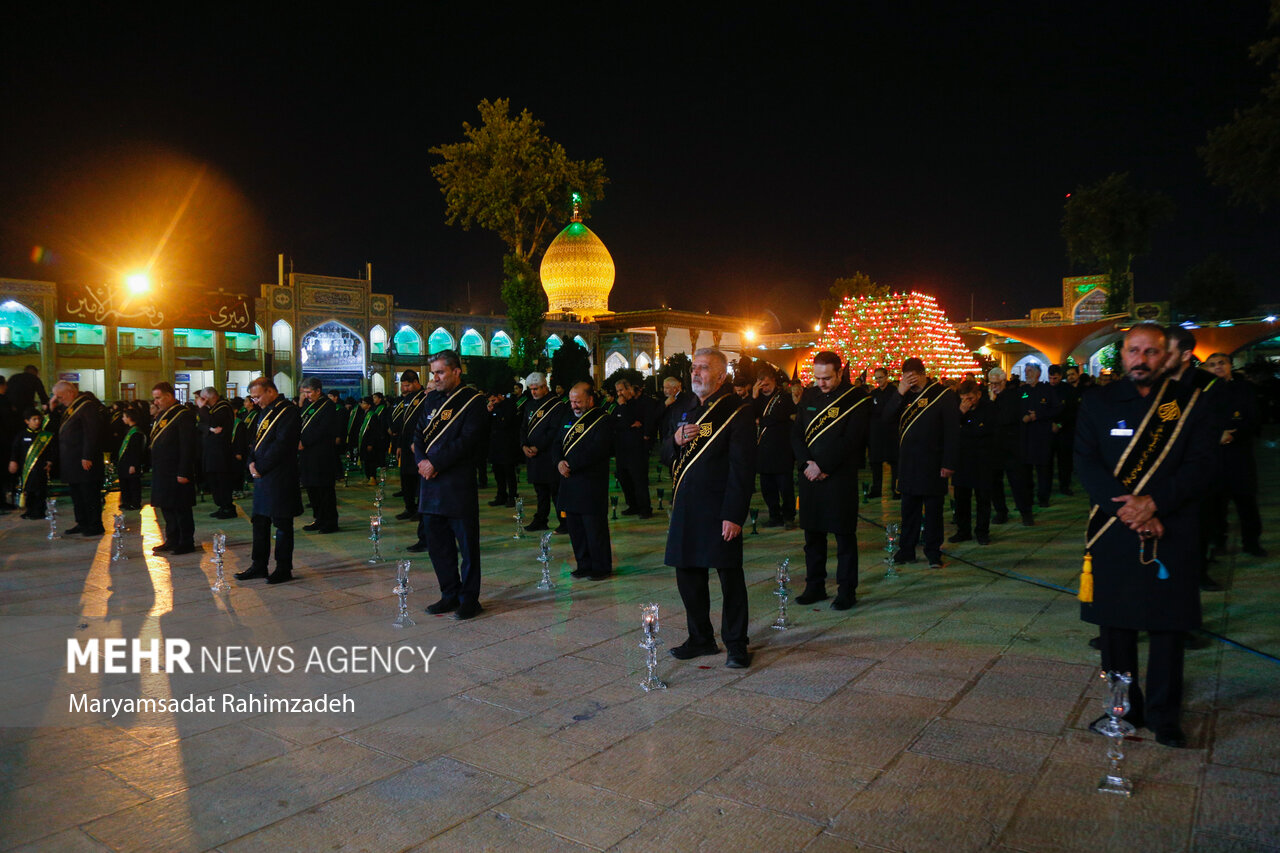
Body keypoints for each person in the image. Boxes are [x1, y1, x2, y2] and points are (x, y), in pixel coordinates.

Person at [1075, 323, 1215, 748]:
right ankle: (1125, 707)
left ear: (1167, 357)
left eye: (1151, 352)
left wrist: (1154, 504)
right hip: (1116, 532)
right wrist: (1131, 511)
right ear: (1122, 356)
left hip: (1172, 528)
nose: (1141, 359)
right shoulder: (1097, 402)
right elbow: (1086, 462)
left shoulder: (1188, 404)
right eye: (1133, 351)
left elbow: (1202, 466)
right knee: (1116, 629)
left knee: (1167, 628)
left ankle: (1164, 715)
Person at [664, 348, 755, 668]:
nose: (696, 373)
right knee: (688, 575)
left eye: (703, 368)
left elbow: (742, 468)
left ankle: (736, 643)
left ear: (721, 376)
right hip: (686, 506)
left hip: (719, 510)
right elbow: (664, 452)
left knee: (730, 578)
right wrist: (675, 441)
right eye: (693, 368)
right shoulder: (683, 407)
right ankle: (700, 638)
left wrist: (734, 514)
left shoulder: (737, 410)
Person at [791, 351, 871, 609]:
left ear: (839, 373)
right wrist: (806, 464)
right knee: (812, 537)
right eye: (817, 378)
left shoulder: (856, 398)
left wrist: (823, 466)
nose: (821, 383)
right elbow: (797, 435)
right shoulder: (809, 396)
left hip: (839, 477)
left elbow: (852, 440)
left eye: (826, 378)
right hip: (809, 476)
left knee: (844, 537)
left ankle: (847, 590)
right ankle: (815, 586)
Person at [413, 350, 488, 619]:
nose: (436, 378)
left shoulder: (473, 401)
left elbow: (468, 440)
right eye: (434, 373)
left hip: (457, 485)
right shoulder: (431, 399)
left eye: (441, 372)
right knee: (438, 545)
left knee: (467, 546)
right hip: (430, 485)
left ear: (457, 371)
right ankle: (449, 593)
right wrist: (422, 460)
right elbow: (418, 433)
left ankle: (469, 599)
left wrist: (436, 463)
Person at [881, 358, 957, 568]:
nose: (910, 381)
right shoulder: (902, 396)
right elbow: (886, 418)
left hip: (933, 461)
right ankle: (907, 550)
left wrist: (949, 462)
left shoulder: (942, 394)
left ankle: (933, 552)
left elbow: (952, 432)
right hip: (908, 462)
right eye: (906, 378)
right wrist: (900, 392)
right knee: (908, 511)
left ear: (923, 373)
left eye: (913, 377)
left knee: (933, 511)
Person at [235, 377, 302, 584]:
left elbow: (282, 445)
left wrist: (261, 467)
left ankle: (283, 568)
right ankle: (259, 565)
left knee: (282, 523)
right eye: (252, 398)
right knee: (259, 522)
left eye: (257, 396)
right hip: (262, 477)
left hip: (280, 475)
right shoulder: (264, 411)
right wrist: (251, 462)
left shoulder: (288, 411)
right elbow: (256, 441)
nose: (255, 401)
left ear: (271, 391)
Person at [1204, 352, 1266, 558]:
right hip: (1214, 458)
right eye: (1212, 365)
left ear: (1230, 365)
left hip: (1240, 455)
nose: (1217, 367)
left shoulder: (1244, 389)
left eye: (1221, 363)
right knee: (1216, 505)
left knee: (1246, 501)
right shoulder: (1202, 391)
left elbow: (1255, 418)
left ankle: (1252, 542)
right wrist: (1215, 436)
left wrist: (1234, 435)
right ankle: (1218, 541)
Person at [555, 382, 614, 579]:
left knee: (594, 529)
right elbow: (557, 443)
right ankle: (583, 564)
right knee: (576, 529)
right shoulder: (567, 418)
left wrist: (570, 464)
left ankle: (601, 567)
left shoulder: (602, 420)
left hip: (590, 483)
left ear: (590, 399)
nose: (574, 406)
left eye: (578, 401)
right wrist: (559, 462)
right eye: (572, 401)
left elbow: (598, 450)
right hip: (569, 483)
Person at [50, 380, 106, 536]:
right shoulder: (72, 408)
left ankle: (94, 525)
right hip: (72, 461)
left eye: (60, 397)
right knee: (77, 494)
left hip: (84, 459)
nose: (59, 400)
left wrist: (87, 455)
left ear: (70, 393)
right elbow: (56, 429)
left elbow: (91, 433)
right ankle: (82, 522)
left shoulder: (87, 406)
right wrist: (53, 408)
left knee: (89, 494)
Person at [148, 382, 198, 555]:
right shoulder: (164, 415)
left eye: (158, 398)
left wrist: (184, 471)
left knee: (180, 507)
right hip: (163, 470)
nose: (155, 402)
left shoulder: (183, 415)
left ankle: (186, 541)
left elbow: (187, 446)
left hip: (177, 470)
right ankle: (172, 539)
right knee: (166, 506)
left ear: (169, 396)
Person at [521, 372, 567, 532]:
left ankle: (564, 521)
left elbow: (554, 431)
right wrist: (524, 445)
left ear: (545, 387)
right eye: (531, 389)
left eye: (536, 388)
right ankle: (541, 519)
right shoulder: (529, 405)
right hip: (533, 457)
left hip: (549, 456)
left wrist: (538, 447)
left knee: (556, 492)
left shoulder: (556, 405)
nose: (533, 392)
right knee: (540, 492)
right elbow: (523, 428)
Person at [952, 379, 996, 545]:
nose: (967, 401)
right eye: (963, 398)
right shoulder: (958, 410)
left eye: (970, 398)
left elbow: (987, 431)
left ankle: (982, 531)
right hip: (962, 460)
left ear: (978, 395)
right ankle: (963, 530)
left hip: (982, 459)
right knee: (961, 498)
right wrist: (960, 414)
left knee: (983, 499)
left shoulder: (989, 408)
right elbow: (951, 429)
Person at [987, 367, 1033, 525]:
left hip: (1011, 446)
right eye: (991, 383)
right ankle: (1001, 511)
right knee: (994, 482)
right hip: (994, 447)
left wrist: (993, 403)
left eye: (997, 383)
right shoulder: (989, 399)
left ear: (1004, 382)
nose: (994, 387)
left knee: (1018, 481)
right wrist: (991, 401)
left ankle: (1025, 512)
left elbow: (1005, 419)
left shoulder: (1012, 396)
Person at [298, 377, 344, 533]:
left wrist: (305, 441)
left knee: (324, 490)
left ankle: (330, 521)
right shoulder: (307, 404)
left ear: (318, 391)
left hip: (322, 454)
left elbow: (322, 430)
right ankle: (319, 518)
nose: (307, 395)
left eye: (309, 392)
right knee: (312, 489)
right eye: (304, 393)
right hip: (307, 455)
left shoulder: (328, 406)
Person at [754, 366, 797, 528]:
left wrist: (763, 421)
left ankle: (788, 515)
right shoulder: (757, 399)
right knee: (767, 488)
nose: (765, 388)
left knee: (785, 487)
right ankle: (774, 515)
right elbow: (749, 416)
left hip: (782, 449)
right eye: (761, 385)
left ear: (773, 381)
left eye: (767, 384)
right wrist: (754, 396)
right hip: (763, 450)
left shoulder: (783, 397)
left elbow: (781, 417)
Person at [1017, 364, 1061, 510]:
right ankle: (1027, 498)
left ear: (1038, 373)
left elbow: (1057, 408)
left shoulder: (1047, 390)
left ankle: (1043, 497)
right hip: (1026, 437)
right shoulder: (1022, 390)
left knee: (1044, 469)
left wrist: (1039, 415)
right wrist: (1023, 417)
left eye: (1030, 371)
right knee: (1026, 471)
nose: (1026, 373)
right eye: (1026, 371)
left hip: (1042, 436)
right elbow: (1015, 409)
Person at [612, 376, 656, 518]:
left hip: (636, 449)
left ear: (629, 389)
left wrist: (624, 409)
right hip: (621, 449)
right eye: (617, 391)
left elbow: (629, 420)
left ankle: (645, 508)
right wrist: (627, 424)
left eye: (621, 390)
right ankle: (633, 505)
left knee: (638, 480)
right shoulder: (617, 405)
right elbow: (616, 423)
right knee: (625, 479)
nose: (619, 394)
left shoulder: (637, 404)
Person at [390, 371, 428, 520]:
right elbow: (403, 424)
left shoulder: (425, 397)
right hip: (405, 444)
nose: (404, 389)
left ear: (415, 382)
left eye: (406, 385)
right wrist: (399, 444)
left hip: (418, 444)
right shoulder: (407, 399)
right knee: (406, 478)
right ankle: (409, 507)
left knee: (418, 479)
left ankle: (420, 509)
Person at [195, 387, 237, 519]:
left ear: (208, 397)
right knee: (213, 480)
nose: (200, 401)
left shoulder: (223, 407)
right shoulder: (211, 410)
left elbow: (212, 421)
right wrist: (210, 429)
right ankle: (221, 506)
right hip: (211, 451)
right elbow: (200, 425)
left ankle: (228, 507)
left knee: (222, 480)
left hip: (221, 452)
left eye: (202, 398)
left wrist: (202, 408)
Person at [9, 408, 51, 518]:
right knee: (28, 490)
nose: (37, 421)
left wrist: (49, 462)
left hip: (41, 468)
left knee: (40, 491)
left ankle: (39, 511)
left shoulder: (45, 436)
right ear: (27, 421)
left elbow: (51, 451)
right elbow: (15, 449)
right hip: (26, 469)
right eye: (34, 419)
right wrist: (13, 461)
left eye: (39, 419)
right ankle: (30, 510)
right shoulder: (21, 435)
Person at [485, 387, 521, 508]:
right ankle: (501, 495)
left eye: (494, 400)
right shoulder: (494, 408)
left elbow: (506, 422)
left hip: (507, 444)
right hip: (495, 444)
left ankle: (512, 496)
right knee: (497, 472)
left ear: (500, 396)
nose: (493, 403)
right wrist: (489, 412)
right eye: (491, 401)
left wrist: (496, 411)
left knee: (509, 472)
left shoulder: (509, 405)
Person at [1049, 364, 1080, 496]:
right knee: (1047, 461)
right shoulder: (1045, 389)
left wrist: (1060, 424)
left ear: (1061, 376)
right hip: (1049, 431)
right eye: (1050, 378)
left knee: (1065, 461)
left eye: (1055, 378)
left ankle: (1065, 485)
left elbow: (1072, 411)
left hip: (1065, 430)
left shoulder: (1068, 390)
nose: (1052, 381)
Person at [866, 367, 898, 499]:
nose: (879, 380)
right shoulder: (874, 394)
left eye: (881, 377)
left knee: (894, 462)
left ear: (886, 377)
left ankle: (895, 489)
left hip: (891, 432)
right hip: (877, 433)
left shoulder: (894, 392)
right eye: (877, 378)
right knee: (875, 462)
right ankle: (876, 488)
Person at [117, 406, 145, 511]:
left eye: (124, 417)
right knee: (124, 484)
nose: (122, 419)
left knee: (133, 484)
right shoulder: (128, 430)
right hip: (124, 463)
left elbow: (136, 451)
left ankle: (135, 503)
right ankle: (126, 501)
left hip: (131, 464)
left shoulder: (136, 433)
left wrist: (133, 464)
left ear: (129, 418)